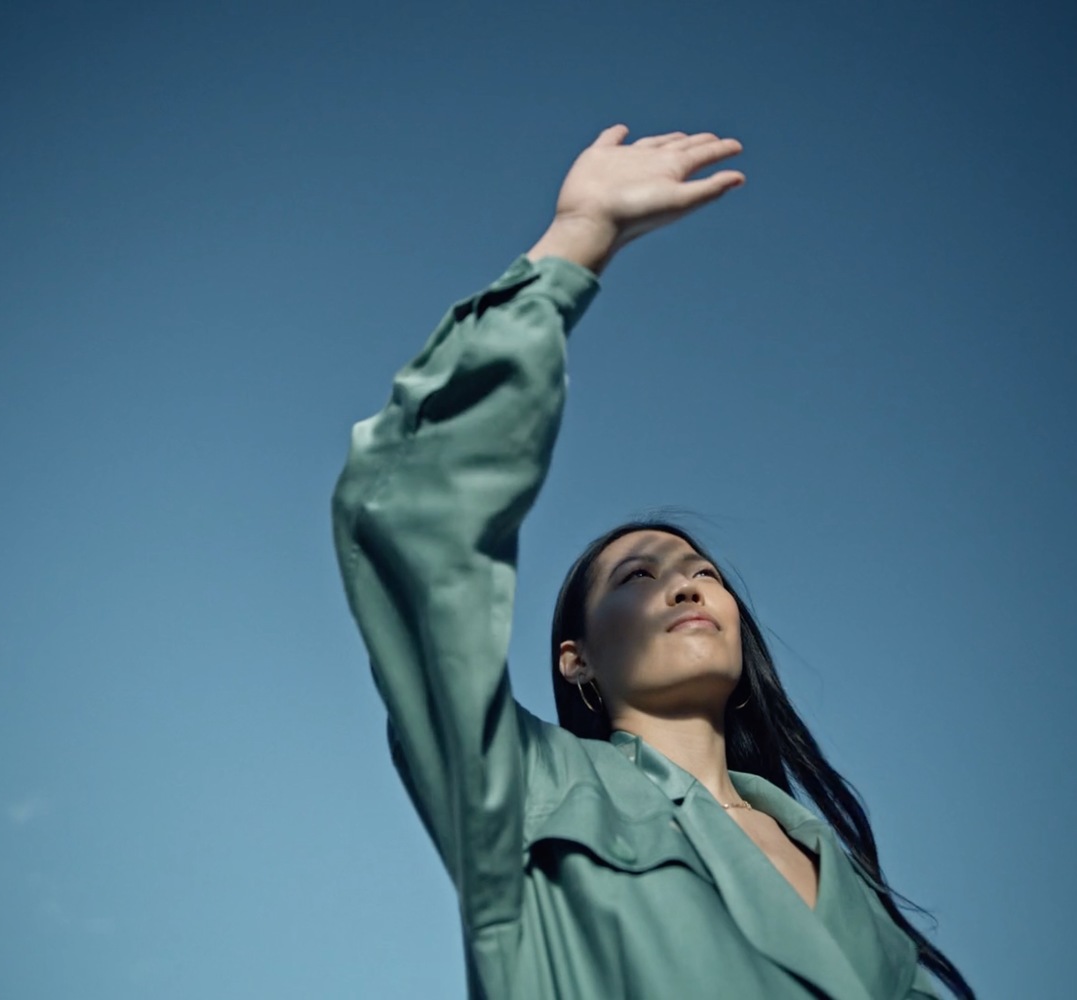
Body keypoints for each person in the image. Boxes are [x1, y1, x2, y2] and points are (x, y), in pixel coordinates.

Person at [331, 124, 976, 999]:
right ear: (577, 660)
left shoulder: (847, 879)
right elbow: (408, 516)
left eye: (703, 573)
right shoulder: (523, 785)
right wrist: (578, 237)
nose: (686, 581)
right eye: (639, 576)